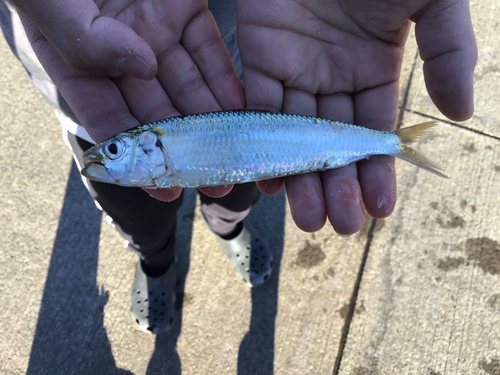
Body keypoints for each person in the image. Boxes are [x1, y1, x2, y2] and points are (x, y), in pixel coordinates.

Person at [0, 0, 476, 334]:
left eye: (117, 152)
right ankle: (154, 260)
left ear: (147, 148)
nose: (105, 159)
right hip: (82, 66)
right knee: (141, 214)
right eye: (114, 153)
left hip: (247, 46)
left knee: (239, 193)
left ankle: (226, 231)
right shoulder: (128, 139)